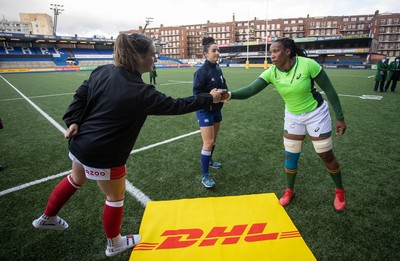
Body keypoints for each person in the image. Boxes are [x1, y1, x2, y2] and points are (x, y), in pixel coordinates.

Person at [32, 33, 223, 257]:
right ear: (138, 57)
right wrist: (210, 98)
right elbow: (176, 106)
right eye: (153, 55)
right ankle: (114, 243)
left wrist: (73, 120)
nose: (155, 58)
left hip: (80, 145)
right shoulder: (139, 92)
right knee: (115, 196)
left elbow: (81, 94)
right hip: (105, 153)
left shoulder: (103, 70)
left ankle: (48, 217)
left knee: (76, 178)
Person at [223, 38, 347, 211]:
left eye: (275, 51)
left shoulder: (308, 65)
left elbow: (330, 90)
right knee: (291, 155)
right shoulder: (271, 72)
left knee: (325, 155)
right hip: (293, 116)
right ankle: (290, 190)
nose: (272, 56)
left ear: (287, 51)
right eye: (271, 52)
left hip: (316, 114)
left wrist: (339, 117)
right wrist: (228, 94)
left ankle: (339, 190)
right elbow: (250, 90)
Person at [193, 36, 228, 188]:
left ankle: (210, 160)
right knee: (208, 142)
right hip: (204, 111)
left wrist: (226, 95)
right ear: (206, 54)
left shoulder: (218, 69)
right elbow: (196, 95)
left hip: (217, 110)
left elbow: (224, 86)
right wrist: (210, 97)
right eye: (214, 51)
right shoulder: (200, 72)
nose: (217, 53)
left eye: (218, 50)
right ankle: (205, 176)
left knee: (213, 140)